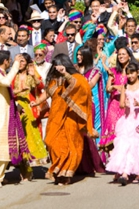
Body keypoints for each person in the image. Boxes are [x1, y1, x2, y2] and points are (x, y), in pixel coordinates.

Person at [33, 54, 96, 185]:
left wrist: (65, 73)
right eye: (55, 65)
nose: (57, 68)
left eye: (59, 65)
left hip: (71, 116)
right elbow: (48, 92)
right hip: (55, 116)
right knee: (51, 141)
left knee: (70, 145)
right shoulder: (53, 80)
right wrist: (37, 102)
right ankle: (58, 170)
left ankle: (66, 173)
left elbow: (79, 86)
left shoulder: (75, 77)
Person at [0, 51, 32, 188]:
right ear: (6, 61)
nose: (11, 62)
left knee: (6, 144)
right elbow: (6, 83)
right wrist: (17, 64)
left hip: (6, 112)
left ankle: (0, 175)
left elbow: (5, 94)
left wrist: (16, 105)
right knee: (0, 144)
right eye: (10, 60)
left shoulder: (0, 72)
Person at [105, 62, 139, 185]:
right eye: (128, 73)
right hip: (127, 118)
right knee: (125, 144)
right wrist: (125, 103)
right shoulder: (125, 87)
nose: (130, 76)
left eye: (132, 73)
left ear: (137, 73)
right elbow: (121, 104)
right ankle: (125, 172)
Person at [12, 53, 48, 165]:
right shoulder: (13, 75)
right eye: (18, 61)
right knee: (19, 133)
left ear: (27, 63)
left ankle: (31, 159)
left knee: (32, 133)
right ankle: (21, 161)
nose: (20, 64)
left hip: (30, 107)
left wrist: (33, 75)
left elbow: (41, 87)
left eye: (22, 61)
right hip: (17, 106)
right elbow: (9, 90)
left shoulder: (31, 74)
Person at [99, 47, 134, 152]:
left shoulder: (133, 71)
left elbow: (137, 87)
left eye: (123, 54)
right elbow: (108, 88)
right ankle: (113, 159)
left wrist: (120, 87)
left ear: (129, 56)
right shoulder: (113, 71)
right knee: (113, 128)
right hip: (115, 104)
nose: (121, 56)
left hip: (128, 104)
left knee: (126, 131)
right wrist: (114, 87)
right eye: (119, 54)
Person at [77, 46, 105, 143]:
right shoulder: (74, 69)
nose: (78, 57)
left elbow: (89, 86)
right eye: (77, 54)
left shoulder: (95, 71)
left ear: (86, 56)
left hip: (87, 104)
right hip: (73, 103)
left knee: (87, 130)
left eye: (81, 55)